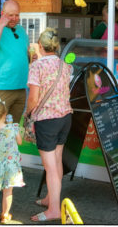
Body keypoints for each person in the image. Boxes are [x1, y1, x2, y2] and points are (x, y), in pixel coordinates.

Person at [25, 28, 73, 222]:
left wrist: (27, 114)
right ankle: (50, 199)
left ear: (39, 45)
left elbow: (33, 99)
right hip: (65, 117)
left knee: (50, 167)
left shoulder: (37, 67)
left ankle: (54, 209)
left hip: (47, 120)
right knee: (57, 161)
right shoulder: (65, 65)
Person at [0, 0, 30, 124]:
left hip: (20, 87)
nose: (14, 18)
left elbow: (23, 54)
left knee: (12, 130)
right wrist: (1, 25)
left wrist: (30, 58)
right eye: (10, 15)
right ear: (2, 13)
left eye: (17, 15)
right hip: (0, 88)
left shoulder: (21, 30)